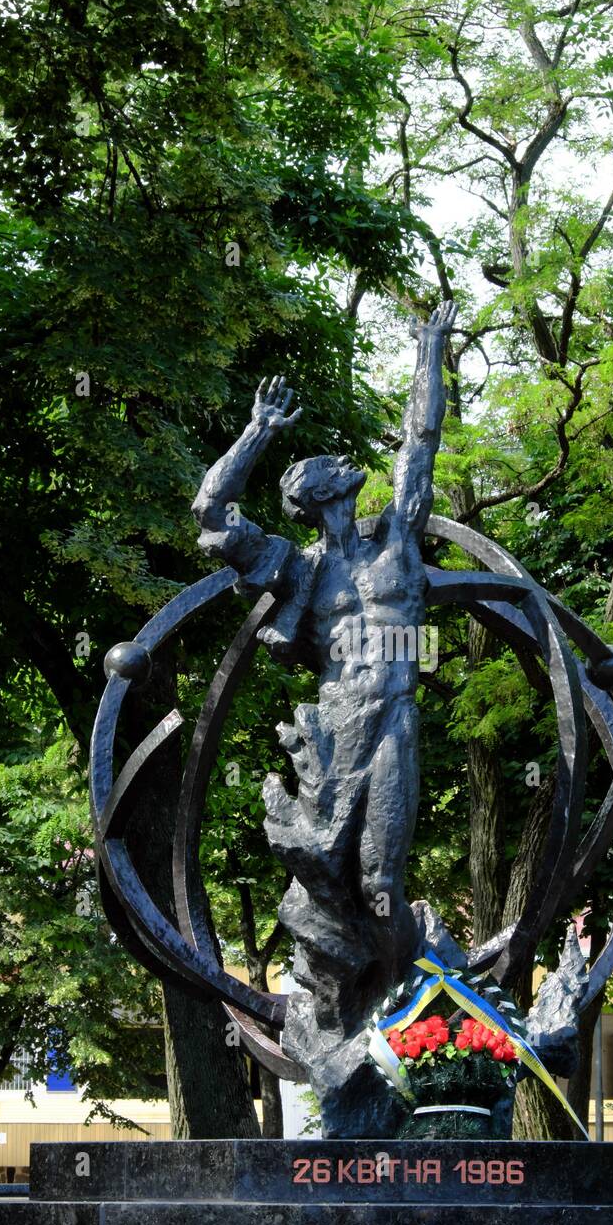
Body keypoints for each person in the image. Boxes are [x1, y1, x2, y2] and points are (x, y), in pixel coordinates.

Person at [192, 302, 457, 1031]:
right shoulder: (299, 568)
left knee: (379, 877)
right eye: (335, 470)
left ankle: (403, 1014)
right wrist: (256, 432)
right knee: (326, 878)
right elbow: (212, 511)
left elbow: (420, 437)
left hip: (393, 719)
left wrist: (430, 348)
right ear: (319, 495)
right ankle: (346, 1014)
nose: (350, 470)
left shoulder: (398, 535)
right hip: (336, 725)